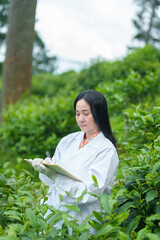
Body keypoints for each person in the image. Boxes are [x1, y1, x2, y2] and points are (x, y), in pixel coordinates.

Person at [29, 89, 119, 231]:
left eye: (86, 113)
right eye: (77, 114)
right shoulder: (68, 140)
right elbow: (52, 183)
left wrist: (57, 178)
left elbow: (91, 192)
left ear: (98, 113)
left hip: (82, 220)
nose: (80, 119)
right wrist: (46, 170)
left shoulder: (106, 149)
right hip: (55, 214)